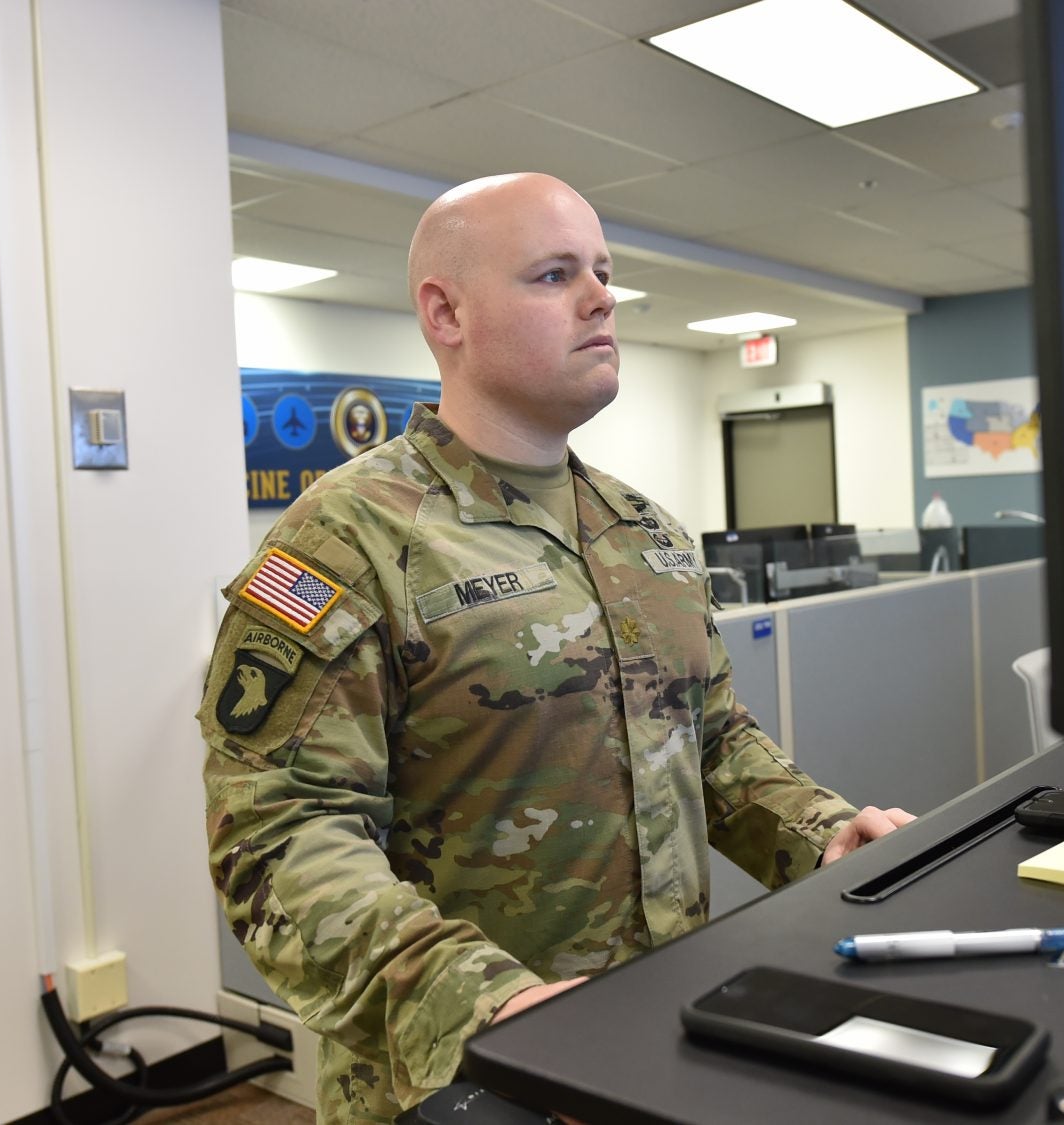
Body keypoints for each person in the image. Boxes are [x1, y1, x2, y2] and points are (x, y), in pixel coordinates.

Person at [199, 172, 912, 1123]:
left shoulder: (644, 530)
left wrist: (822, 834)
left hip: (658, 1047)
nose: (600, 297)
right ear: (445, 313)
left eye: (604, 272)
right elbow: (277, 834)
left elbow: (710, 739)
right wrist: (486, 1005)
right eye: (553, 274)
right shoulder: (350, 537)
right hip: (468, 1080)